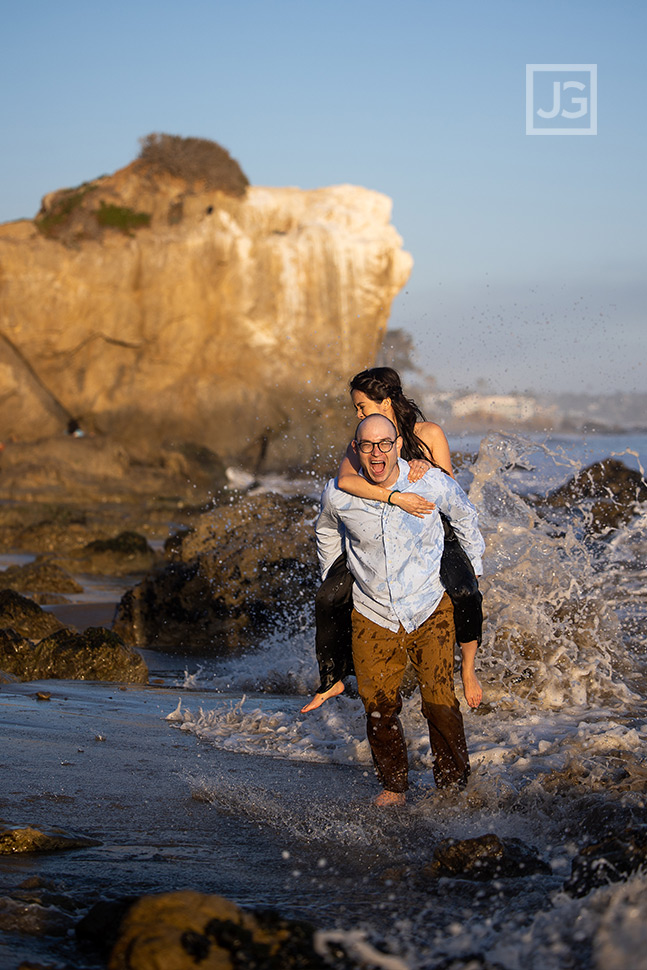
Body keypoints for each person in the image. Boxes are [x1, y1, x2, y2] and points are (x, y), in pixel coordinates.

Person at [314, 414, 485, 805]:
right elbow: (325, 528)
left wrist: (473, 571)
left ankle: (453, 785)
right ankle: (394, 786)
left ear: (396, 445)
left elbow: (465, 516)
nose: (377, 453)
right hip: (371, 612)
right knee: (378, 707)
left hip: (429, 606)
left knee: (440, 703)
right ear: (356, 449)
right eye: (368, 446)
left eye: (385, 444)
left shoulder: (429, 481)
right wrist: (333, 571)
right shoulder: (338, 493)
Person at [302, 367, 484, 713]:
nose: (357, 414)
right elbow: (346, 482)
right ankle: (335, 676)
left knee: (465, 589)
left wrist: (422, 468)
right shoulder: (363, 443)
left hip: (433, 532)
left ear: (385, 403)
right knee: (329, 596)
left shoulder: (427, 433)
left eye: (361, 406)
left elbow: (449, 489)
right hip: (378, 534)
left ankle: (468, 668)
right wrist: (395, 494)